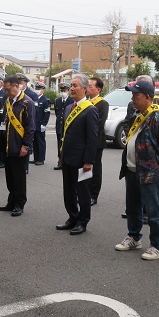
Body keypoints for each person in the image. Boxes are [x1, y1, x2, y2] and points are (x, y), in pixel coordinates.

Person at [114, 79, 159, 260]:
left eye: (136, 95)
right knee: (132, 207)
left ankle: (158, 245)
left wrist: (157, 164)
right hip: (132, 169)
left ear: (147, 97)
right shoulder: (136, 114)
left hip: (150, 172)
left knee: (153, 210)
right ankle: (134, 237)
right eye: (132, 94)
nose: (133, 98)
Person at [55, 74, 99, 235]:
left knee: (83, 192)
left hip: (82, 160)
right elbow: (64, 134)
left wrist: (89, 161)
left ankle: (82, 221)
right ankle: (72, 217)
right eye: (71, 86)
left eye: (75, 86)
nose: (72, 88)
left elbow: (92, 138)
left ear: (85, 89)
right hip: (67, 157)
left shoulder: (90, 110)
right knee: (68, 191)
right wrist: (61, 154)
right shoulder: (68, 108)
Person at [0, 75, 36, 217]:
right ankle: (11, 201)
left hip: (19, 146)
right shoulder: (8, 101)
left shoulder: (27, 102)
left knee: (19, 177)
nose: (6, 93)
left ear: (16, 86)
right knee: (10, 176)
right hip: (8, 145)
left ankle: (20, 204)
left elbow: (30, 127)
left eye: (8, 90)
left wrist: (26, 146)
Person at [87, 77, 109, 205]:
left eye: (90, 86)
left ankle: (93, 195)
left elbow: (99, 124)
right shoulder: (86, 102)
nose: (88, 88)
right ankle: (85, 192)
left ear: (98, 89)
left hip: (96, 140)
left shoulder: (103, 103)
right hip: (85, 140)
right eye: (87, 86)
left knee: (95, 168)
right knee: (85, 168)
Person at [53, 82, 73, 170]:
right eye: (61, 91)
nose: (62, 92)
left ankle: (67, 162)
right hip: (59, 126)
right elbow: (58, 114)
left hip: (68, 126)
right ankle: (60, 161)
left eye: (64, 90)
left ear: (68, 91)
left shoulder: (72, 101)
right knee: (59, 144)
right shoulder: (57, 101)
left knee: (67, 144)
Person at [33, 82, 51, 166]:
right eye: (36, 89)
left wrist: (44, 124)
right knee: (35, 142)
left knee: (40, 142)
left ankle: (41, 159)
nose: (37, 91)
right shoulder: (34, 99)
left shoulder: (45, 100)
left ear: (43, 90)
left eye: (39, 89)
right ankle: (36, 158)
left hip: (40, 124)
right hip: (33, 124)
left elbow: (47, 113)